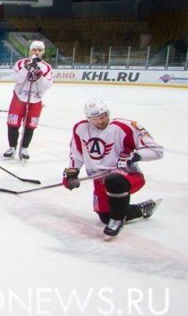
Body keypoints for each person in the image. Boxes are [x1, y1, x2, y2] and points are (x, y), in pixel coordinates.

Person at [63, 99, 163, 238]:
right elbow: (76, 153)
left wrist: (135, 156)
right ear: (88, 118)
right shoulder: (81, 128)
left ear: (108, 113)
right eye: (95, 119)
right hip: (99, 179)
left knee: (114, 181)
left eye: (103, 117)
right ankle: (142, 208)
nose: (100, 121)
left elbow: (157, 150)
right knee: (105, 216)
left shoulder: (125, 126)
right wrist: (71, 173)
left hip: (127, 175)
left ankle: (117, 221)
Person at [4, 40, 53, 160]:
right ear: (30, 50)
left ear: (43, 52)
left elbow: (46, 86)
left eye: (39, 50)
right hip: (19, 97)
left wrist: (40, 75)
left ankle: (24, 147)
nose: (37, 52)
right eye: (34, 49)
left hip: (35, 100)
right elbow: (17, 79)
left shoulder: (47, 67)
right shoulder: (20, 63)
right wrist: (27, 67)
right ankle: (12, 147)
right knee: (13, 123)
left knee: (31, 125)